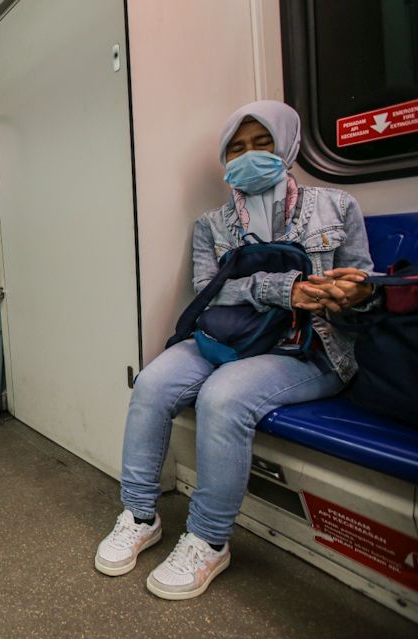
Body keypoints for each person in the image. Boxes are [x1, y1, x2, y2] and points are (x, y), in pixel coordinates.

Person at [94, 101, 378, 599]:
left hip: (309, 347)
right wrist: (282, 289)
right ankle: (139, 514)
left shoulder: (337, 207)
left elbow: (362, 286)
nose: (249, 156)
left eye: (262, 143)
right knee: (153, 383)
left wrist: (353, 293)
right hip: (229, 337)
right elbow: (210, 290)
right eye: (237, 148)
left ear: (287, 145)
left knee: (223, 397)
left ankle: (207, 539)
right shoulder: (213, 224)